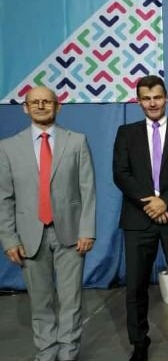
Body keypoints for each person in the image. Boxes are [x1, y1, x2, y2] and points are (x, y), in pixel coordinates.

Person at [0, 86, 96, 361]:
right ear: (25, 108)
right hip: (29, 237)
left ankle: (68, 352)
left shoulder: (77, 141)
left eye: (46, 101)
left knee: (71, 299)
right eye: (35, 102)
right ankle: (46, 351)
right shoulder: (8, 147)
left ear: (58, 106)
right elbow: (4, 197)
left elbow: (87, 190)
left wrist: (87, 230)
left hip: (71, 234)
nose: (41, 106)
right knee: (40, 300)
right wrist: (9, 238)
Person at [113, 75, 168, 361]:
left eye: (157, 97)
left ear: (167, 98)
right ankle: (139, 344)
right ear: (139, 101)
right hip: (138, 219)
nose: (152, 103)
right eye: (146, 98)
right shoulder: (126, 133)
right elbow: (121, 174)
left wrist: (165, 202)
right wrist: (151, 204)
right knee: (136, 286)